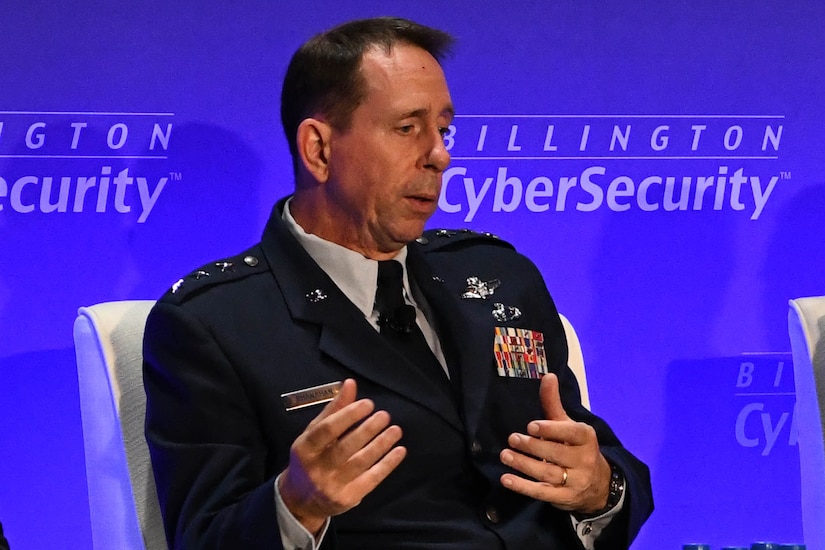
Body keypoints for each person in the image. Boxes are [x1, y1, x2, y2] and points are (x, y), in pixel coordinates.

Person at [143, 16, 653, 549]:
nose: (440, 155)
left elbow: (607, 466)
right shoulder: (214, 324)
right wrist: (296, 505)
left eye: (443, 129)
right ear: (318, 149)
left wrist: (599, 488)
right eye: (408, 128)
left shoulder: (499, 277)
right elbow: (203, 539)